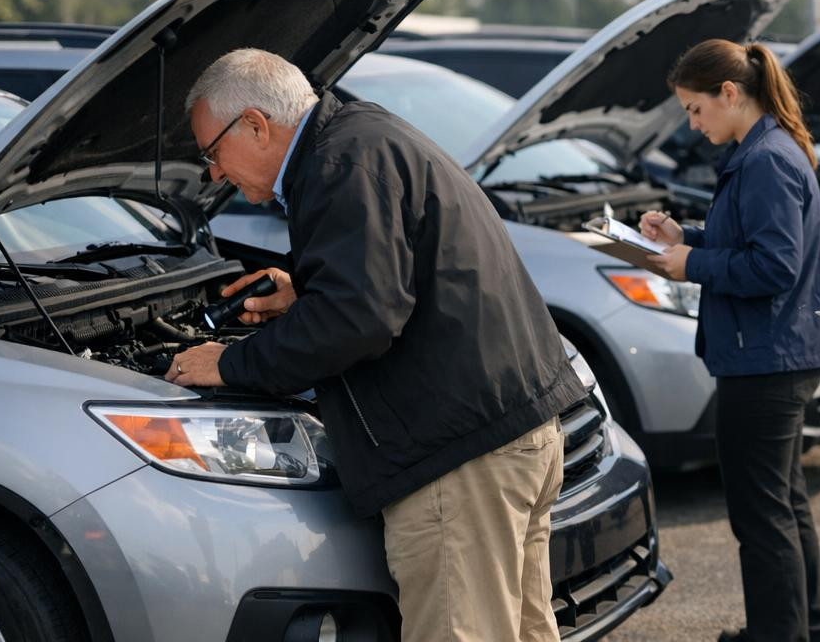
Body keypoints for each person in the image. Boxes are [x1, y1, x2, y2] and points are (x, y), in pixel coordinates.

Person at [166, 48, 584, 642]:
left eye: (212, 153)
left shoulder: (339, 165)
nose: (212, 173)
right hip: (512, 431)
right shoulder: (360, 137)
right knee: (520, 630)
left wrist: (230, 363)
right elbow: (390, 277)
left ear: (256, 125)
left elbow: (360, 319)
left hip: (458, 459)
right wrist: (306, 288)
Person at [637, 39, 820, 642]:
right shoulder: (766, 150)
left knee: (760, 513)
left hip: (766, 359)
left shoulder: (765, 159)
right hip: (776, 352)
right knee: (784, 501)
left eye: (696, 110)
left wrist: (687, 267)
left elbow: (774, 266)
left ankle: (779, 634)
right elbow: (747, 238)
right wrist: (687, 236)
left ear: (730, 93)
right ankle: (810, 627)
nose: (693, 126)